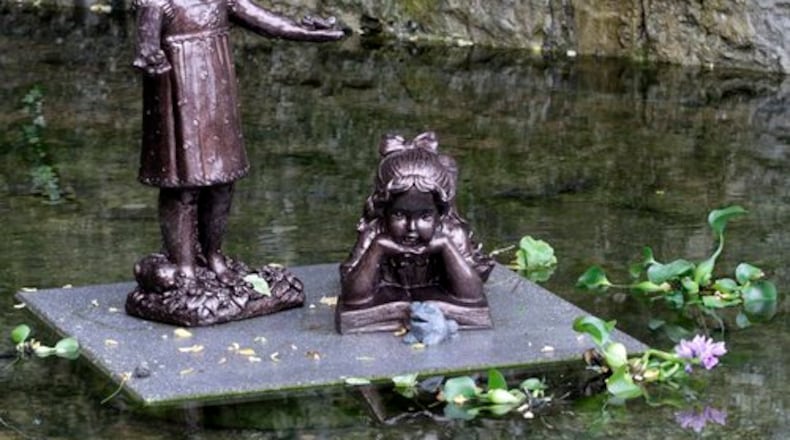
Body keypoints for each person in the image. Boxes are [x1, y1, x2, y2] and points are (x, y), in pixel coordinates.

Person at [132, 0, 344, 284]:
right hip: (178, 92)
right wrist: (152, 58)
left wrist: (306, 31)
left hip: (216, 93)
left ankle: (213, 254)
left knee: (222, 182)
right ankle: (183, 265)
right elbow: (145, 49)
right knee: (183, 185)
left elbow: (265, 21)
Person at [340, 132, 493, 307]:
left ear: (440, 213)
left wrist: (445, 246)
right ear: (383, 210)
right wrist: (378, 247)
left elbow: (472, 295)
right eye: (399, 215)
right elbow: (352, 296)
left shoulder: (451, 233)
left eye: (425, 216)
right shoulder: (375, 232)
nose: (411, 227)